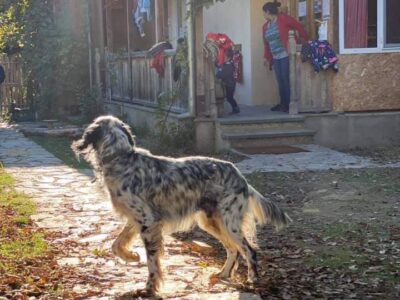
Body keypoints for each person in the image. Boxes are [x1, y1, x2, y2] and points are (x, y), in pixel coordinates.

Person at [263, 1, 308, 113]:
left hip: (285, 54)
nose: (263, 15)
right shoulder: (265, 26)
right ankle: (283, 103)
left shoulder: (283, 19)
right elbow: (266, 44)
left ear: (268, 12)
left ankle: (288, 104)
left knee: (285, 78)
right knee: (280, 80)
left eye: (264, 12)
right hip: (275, 56)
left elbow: (298, 26)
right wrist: (266, 57)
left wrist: (306, 42)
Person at [216, 48, 240, 115]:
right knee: (229, 97)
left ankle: (236, 109)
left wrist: (218, 75)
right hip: (229, 83)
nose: (223, 58)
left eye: (224, 57)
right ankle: (236, 108)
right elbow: (220, 68)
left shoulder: (229, 65)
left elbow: (223, 74)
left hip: (230, 84)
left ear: (229, 57)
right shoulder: (227, 64)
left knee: (229, 97)